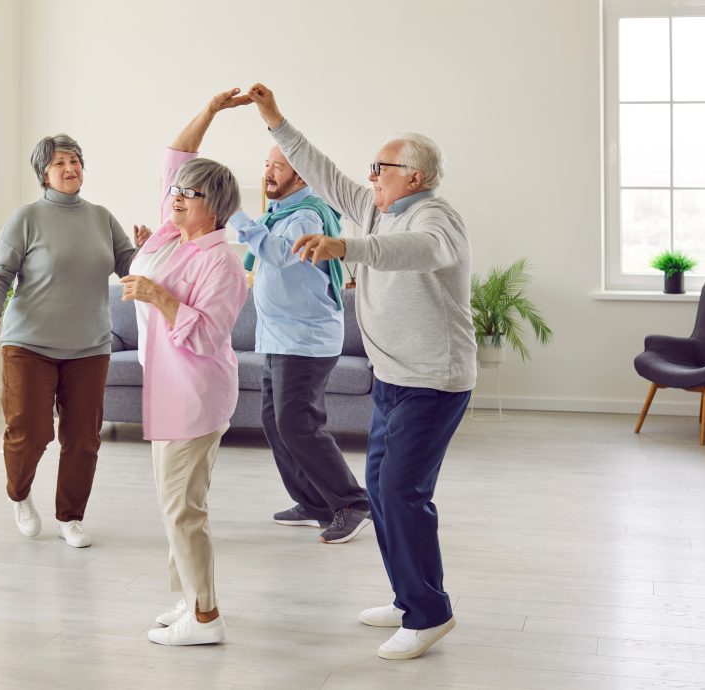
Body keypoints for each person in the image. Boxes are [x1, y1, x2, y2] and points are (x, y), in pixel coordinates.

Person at [246, 83, 475, 660]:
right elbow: (320, 171)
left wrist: (347, 248)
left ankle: (429, 614)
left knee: (401, 493)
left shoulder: (435, 218)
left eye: (381, 167)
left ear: (414, 176)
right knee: (378, 489)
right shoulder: (376, 207)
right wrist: (276, 120)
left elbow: (420, 252)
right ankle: (408, 599)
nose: (370, 176)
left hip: (434, 380)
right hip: (394, 379)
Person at [122, 89, 248, 646]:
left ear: (214, 207)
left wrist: (156, 295)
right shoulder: (174, 233)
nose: (174, 196)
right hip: (167, 388)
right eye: (175, 190)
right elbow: (177, 153)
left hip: (195, 393)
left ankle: (205, 617)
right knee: (175, 505)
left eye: (189, 194)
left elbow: (210, 333)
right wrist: (212, 112)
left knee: (183, 510)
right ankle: (189, 599)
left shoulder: (221, 260)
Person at [0, 134, 147, 549]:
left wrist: (147, 251)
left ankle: (71, 516)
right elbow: (0, 272)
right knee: (30, 432)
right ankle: (19, 495)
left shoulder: (102, 217)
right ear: (44, 174)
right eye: (60, 163)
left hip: (89, 345)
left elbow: (130, 265)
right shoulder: (27, 217)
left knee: (83, 438)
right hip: (28, 343)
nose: (70, 168)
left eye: (75, 161)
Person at [230, 142, 371, 544]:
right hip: (280, 336)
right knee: (276, 425)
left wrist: (233, 215)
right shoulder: (280, 213)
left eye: (277, 167)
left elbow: (276, 254)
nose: (268, 173)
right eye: (267, 165)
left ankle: (351, 503)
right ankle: (313, 502)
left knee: (297, 424)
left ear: (302, 175)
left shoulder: (308, 214)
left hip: (305, 339)